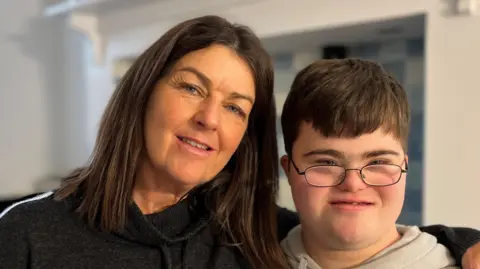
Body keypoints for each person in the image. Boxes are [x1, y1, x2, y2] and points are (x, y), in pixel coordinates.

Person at [0, 15, 479, 269]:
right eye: (191, 87)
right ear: (142, 92)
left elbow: (362, 229)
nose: (209, 118)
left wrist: (464, 243)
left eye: (235, 107)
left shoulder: (247, 231)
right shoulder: (28, 233)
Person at [279, 58, 474, 268]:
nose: (353, 184)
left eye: (378, 161)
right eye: (326, 162)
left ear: (404, 168)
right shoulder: (250, 261)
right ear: (289, 170)